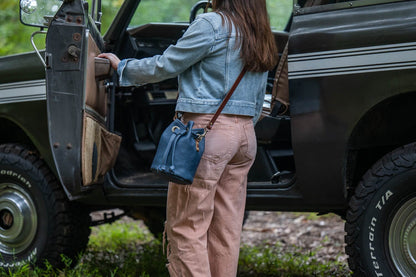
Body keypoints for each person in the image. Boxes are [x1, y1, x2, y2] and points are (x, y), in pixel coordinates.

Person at [99, 0, 278, 275]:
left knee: (187, 226)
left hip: (205, 134)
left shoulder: (211, 24)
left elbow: (164, 65)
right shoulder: (259, 31)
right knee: (226, 228)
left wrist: (121, 66)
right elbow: (257, 97)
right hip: (245, 137)